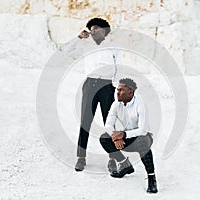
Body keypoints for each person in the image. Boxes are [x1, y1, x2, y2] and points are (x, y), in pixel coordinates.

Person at [61, 18, 121, 171]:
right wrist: (78, 38)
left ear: (104, 31)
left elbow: (119, 68)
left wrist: (116, 88)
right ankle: (81, 158)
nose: (94, 32)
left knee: (110, 123)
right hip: (90, 86)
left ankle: (112, 159)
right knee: (85, 122)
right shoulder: (86, 46)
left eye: (97, 29)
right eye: (91, 29)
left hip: (108, 86)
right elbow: (65, 50)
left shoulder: (113, 47)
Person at [99, 78, 158, 193]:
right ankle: (124, 164)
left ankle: (152, 179)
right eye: (117, 89)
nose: (117, 92)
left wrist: (123, 134)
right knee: (104, 138)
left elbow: (142, 130)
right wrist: (115, 138)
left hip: (144, 137)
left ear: (130, 92)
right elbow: (108, 125)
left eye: (121, 90)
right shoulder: (116, 104)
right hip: (126, 139)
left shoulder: (140, 103)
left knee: (142, 141)